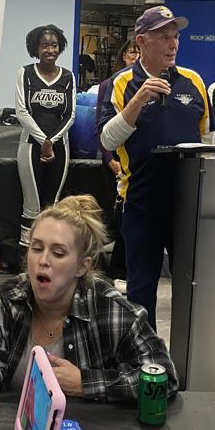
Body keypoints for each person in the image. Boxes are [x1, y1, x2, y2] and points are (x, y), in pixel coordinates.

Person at [0, 194, 177, 401]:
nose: (43, 261)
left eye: (58, 253)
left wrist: (85, 383)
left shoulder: (108, 308)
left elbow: (164, 378)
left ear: (82, 266)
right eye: (37, 249)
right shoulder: (5, 300)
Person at [98, 5, 210, 328]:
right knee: (141, 289)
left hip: (187, 205)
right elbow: (107, 139)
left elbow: (208, 138)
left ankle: (187, 353)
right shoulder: (122, 83)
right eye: (164, 37)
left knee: (191, 286)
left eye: (175, 37)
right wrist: (139, 99)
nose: (173, 44)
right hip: (141, 203)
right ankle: (144, 353)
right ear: (142, 41)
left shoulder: (193, 81)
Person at [15, 24, 76, 251]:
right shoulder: (25, 73)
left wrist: (52, 142)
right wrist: (43, 141)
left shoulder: (68, 76)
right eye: (44, 46)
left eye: (54, 45)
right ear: (35, 48)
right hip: (31, 146)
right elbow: (22, 111)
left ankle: (50, 251)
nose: (50, 50)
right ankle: (27, 256)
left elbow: (70, 114)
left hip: (60, 147)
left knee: (53, 205)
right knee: (31, 206)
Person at [94, 38, 140, 286]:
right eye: (132, 53)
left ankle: (125, 270)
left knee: (130, 218)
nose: (135, 57)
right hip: (112, 163)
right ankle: (113, 270)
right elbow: (101, 127)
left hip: (134, 165)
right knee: (114, 217)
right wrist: (109, 159)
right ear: (123, 55)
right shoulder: (109, 84)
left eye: (139, 53)